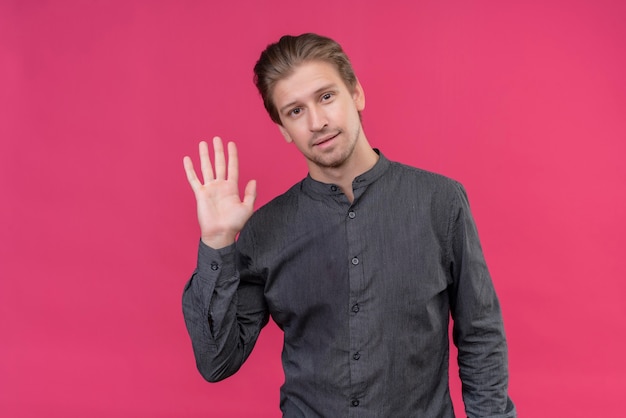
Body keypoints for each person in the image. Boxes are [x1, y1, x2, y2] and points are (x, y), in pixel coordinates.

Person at [182, 33, 516, 417]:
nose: (317, 122)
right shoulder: (265, 229)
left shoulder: (440, 201)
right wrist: (217, 242)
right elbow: (216, 362)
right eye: (295, 111)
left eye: (326, 97)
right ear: (283, 131)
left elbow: (481, 334)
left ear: (356, 94)